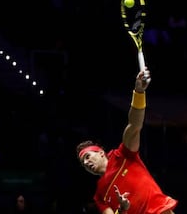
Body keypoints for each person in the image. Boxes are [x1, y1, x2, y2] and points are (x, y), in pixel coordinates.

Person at [76, 68, 178, 214]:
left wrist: (139, 92)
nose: (86, 163)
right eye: (83, 163)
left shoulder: (123, 155)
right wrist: (122, 209)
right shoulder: (99, 195)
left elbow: (134, 125)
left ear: (100, 153)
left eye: (87, 157)